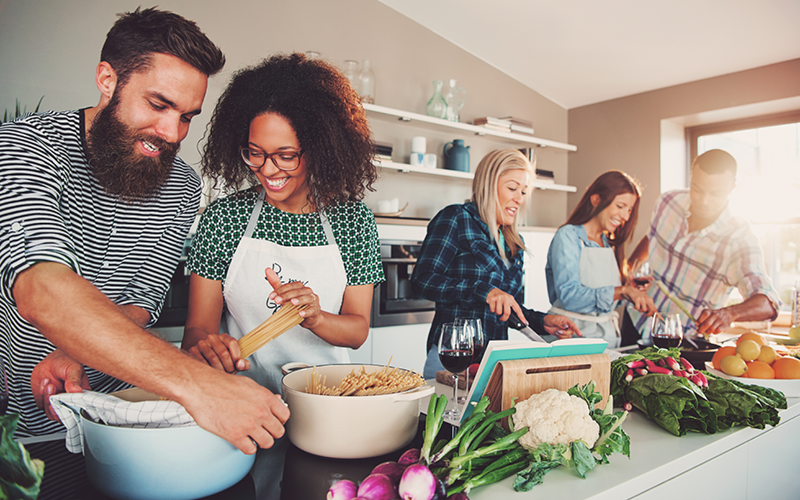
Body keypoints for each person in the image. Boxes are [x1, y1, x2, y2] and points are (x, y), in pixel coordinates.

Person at [1, 6, 290, 471]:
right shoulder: (26, 147)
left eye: (187, 116)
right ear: (107, 79)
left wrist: (76, 347)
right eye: (158, 105)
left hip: (128, 413)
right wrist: (200, 385)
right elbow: (42, 289)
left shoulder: (182, 184)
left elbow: (141, 297)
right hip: (30, 427)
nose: (172, 133)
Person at [180, 53, 383, 397]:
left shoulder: (354, 222)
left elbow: (358, 330)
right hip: (245, 398)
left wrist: (316, 317)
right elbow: (198, 329)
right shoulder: (224, 220)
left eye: (285, 155)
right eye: (255, 152)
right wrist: (209, 350)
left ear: (319, 149)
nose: (268, 169)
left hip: (328, 399)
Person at [411, 149, 580, 379]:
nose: (519, 199)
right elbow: (422, 281)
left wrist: (543, 322)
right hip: (454, 359)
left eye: (523, 191)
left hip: (495, 362)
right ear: (488, 184)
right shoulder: (456, 219)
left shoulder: (513, 242)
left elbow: (509, 308)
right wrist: (484, 291)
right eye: (512, 188)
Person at [624, 149, 780, 338]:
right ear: (691, 177)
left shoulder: (740, 238)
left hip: (684, 341)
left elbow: (769, 303)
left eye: (716, 194)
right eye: (697, 189)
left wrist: (729, 313)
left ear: (732, 187)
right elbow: (652, 237)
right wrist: (629, 271)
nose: (704, 201)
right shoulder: (667, 202)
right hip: (636, 318)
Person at [545, 170, 657, 348]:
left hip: (607, 339)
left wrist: (629, 291)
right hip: (571, 339)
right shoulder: (568, 236)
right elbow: (569, 296)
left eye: (629, 210)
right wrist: (622, 291)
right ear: (596, 199)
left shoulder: (608, 243)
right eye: (620, 206)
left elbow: (604, 298)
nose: (626, 217)